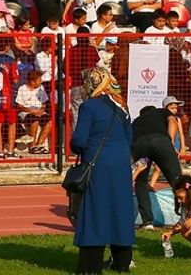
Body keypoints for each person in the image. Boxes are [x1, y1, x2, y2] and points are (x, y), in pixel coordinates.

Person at [70, 67, 135, 275]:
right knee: (120, 209)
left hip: (98, 165)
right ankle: (122, 262)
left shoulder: (89, 106)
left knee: (94, 211)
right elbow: (130, 137)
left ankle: (90, 266)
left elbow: (80, 139)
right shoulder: (121, 104)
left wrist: (76, 147)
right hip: (122, 163)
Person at [131, 95, 186, 230]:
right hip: (160, 141)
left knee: (141, 182)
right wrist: (171, 141)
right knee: (177, 179)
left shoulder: (136, 121)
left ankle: (147, 222)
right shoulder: (161, 112)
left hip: (140, 144)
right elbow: (172, 122)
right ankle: (185, 213)